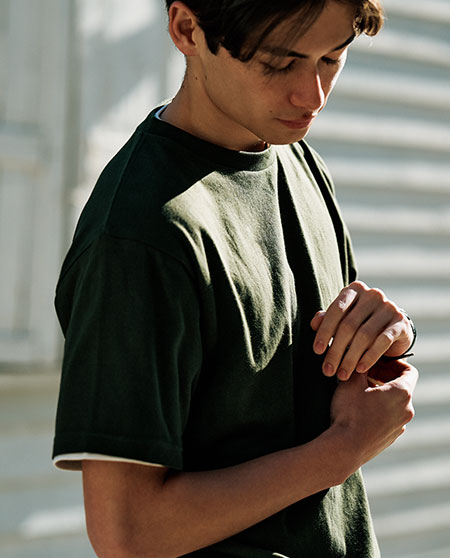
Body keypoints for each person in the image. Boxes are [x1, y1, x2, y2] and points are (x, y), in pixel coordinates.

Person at [52, 1, 418, 556]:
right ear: (187, 30)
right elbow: (128, 534)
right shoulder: (139, 235)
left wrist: (387, 337)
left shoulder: (296, 162)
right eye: (280, 64)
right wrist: (342, 451)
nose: (312, 96)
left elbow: (317, 386)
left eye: (332, 58)